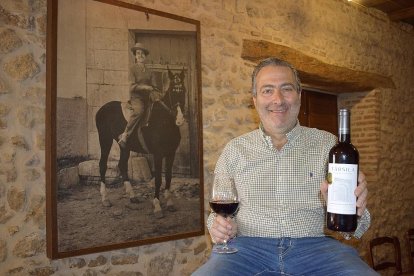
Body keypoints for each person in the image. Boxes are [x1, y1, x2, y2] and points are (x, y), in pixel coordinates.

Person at [192, 57, 378, 275]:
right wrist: (218, 225)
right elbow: (218, 212)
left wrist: (355, 208)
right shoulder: (234, 150)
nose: (278, 100)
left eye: (286, 89)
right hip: (247, 252)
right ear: (255, 99)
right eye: (267, 90)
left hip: (317, 250)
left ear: (299, 95)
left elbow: (355, 228)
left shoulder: (328, 145)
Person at [118, 42, 162, 148]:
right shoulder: (132, 69)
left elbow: (155, 86)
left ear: (145, 56)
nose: (140, 55)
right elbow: (132, 86)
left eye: (142, 53)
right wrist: (145, 87)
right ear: (135, 56)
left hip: (148, 98)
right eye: (138, 53)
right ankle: (125, 134)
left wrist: (156, 93)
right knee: (139, 111)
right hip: (137, 98)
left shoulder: (150, 71)